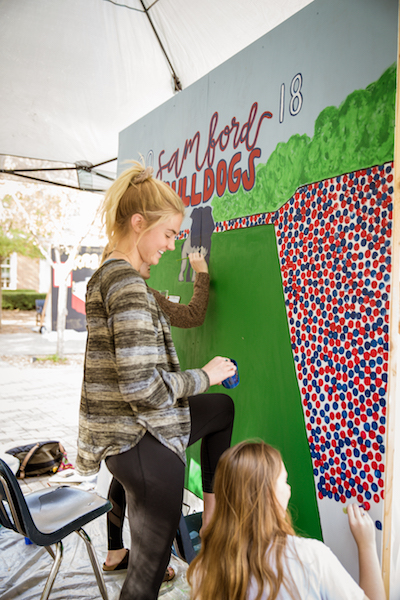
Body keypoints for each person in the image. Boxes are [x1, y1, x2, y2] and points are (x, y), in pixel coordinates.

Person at [76, 160, 236, 600]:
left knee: (221, 409)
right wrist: (205, 375)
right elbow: (143, 388)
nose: (171, 245)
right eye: (168, 234)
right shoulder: (126, 285)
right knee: (145, 580)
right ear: (138, 223)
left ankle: (212, 519)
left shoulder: (112, 276)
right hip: (142, 444)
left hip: (130, 440)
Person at [103, 251, 210, 580]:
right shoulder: (141, 295)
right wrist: (202, 274)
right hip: (148, 411)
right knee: (147, 488)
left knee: (124, 478)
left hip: (117, 414)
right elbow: (193, 314)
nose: (158, 256)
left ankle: (114, 552)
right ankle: (152, 564)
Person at [187, 441, 386, 600]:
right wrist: (366, 545)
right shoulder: (310, 558)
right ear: (268, 495)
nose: (289, 489)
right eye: (284, 481)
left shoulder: (205, 569)